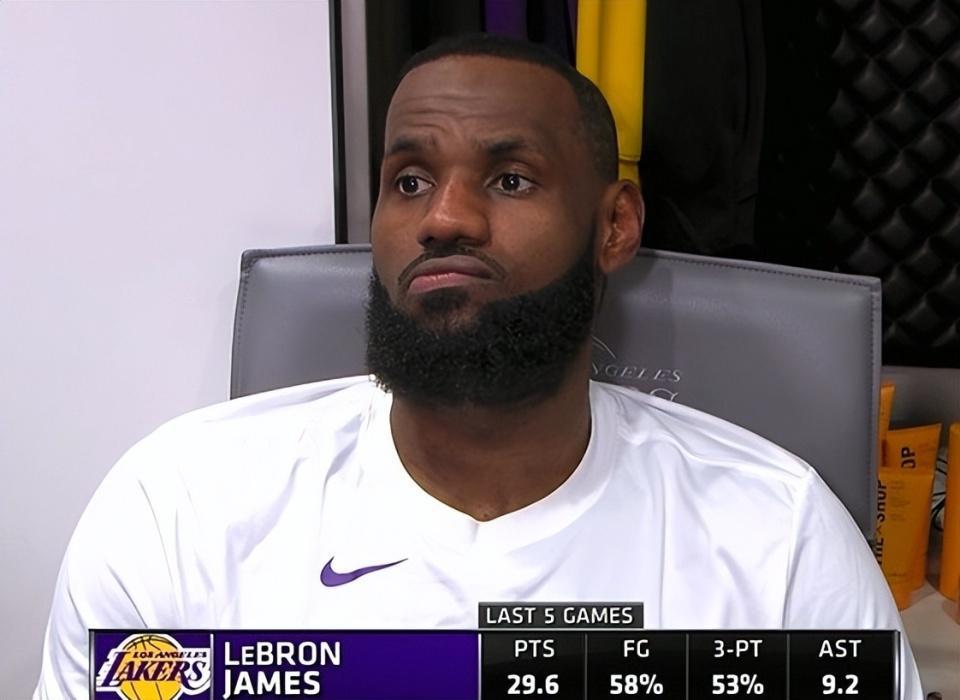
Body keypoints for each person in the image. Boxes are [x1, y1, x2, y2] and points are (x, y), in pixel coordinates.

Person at [36, 33, 922, 699]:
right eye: (410, 181)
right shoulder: (178, 508)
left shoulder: (777, 541)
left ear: (615, 225)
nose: (444, 219)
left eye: (510, 179)